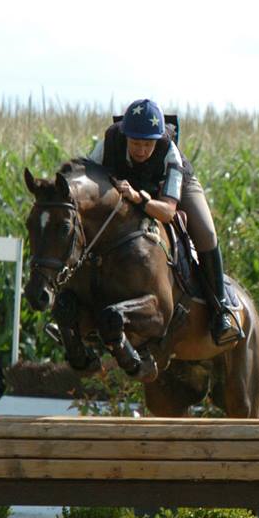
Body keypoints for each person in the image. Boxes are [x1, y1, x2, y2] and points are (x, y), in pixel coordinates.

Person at [86, 98, 242, 345]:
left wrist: (138, 198)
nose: (141, 150)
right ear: (125, 136)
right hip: (127, 186)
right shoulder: (108, 144)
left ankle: (219, 309)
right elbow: (87, 182)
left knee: (207, 233)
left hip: (171, 189)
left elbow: (168, 211)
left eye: (148, 144)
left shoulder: (169, 153)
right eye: (136, 143)